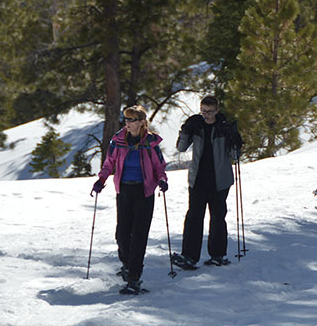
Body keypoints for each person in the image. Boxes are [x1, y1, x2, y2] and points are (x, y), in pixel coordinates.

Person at [91, 105, 168, 294]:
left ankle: (134, 278)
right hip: (124, 190)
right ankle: (127, 264)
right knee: (122, 234)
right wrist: (101, 180)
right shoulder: (118, 141)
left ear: (142, 122)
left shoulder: (150, 143)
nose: (127, 123)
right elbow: (109, 164)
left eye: (131, 120)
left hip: (144, 192)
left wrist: (162, 180)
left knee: (139, 236)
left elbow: (160, 167)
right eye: (126, 119)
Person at [171, 96, 242, 269]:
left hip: (220, 180)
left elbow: (235, 156)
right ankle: (189, 256)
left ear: (217, 110)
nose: (207, 115)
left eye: (210, 112)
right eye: (203, 111)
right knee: (194, 216)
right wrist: (185, 130)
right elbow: (181, 148)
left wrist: (235, 140)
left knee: (218, 217)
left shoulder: (223, 128)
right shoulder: (197, 126)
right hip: (198, 179)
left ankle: (218, 255)